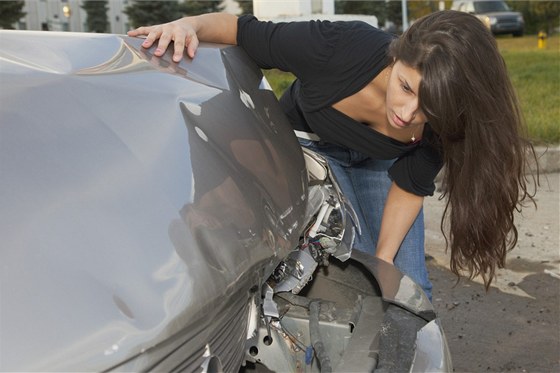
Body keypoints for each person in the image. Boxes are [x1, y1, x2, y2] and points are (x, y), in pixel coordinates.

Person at [128, 10, 537, 300]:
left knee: (404, 283)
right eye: (406, 87)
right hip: (310, 146)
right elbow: (242, 30)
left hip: (382, 163)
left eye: (427, 107)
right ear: (396, 57)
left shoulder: (447, 115)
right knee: (341, 270)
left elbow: (410, 184)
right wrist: (188, 24)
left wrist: (382, 264)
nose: (408, 114)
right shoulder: (337, 47)